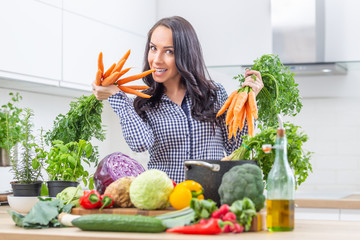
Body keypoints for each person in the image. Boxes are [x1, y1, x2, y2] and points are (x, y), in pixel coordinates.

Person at [92, 16, 263, 183]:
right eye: (153, 48)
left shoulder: (214, 94)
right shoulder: (145, 101)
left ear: (185, 55)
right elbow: (140, 144)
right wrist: (117, 98)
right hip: (165, 200)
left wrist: (248, 101)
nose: (157, 60)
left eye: (169, 51)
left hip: (210, 197)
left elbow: (236, 146)